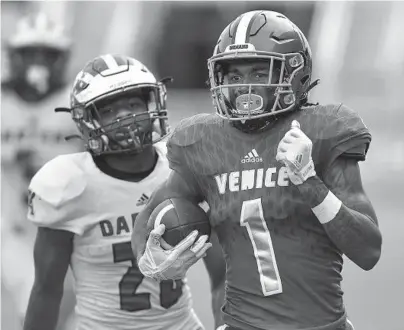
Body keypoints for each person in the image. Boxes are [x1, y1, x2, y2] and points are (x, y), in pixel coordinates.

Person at [132, 10, 382, 330]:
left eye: (258, 73)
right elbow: (150, 213)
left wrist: (311, 184)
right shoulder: (204, 141)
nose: (244, 88)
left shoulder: (324, 130)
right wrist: (150, 259)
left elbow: (368, 250)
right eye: (234, 77)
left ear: (295, 73)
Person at [23, 54, 225, 330]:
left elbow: (224, 274)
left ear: (152, 103)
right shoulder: (68, 182)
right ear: (87, 119)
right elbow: (47, 290)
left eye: (132, 104)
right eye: (108, 110)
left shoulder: (183, 167)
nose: (125, 117)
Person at [1, 12, 79, 328]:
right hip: (14, 226)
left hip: (69, 225)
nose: (38, 62)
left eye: (47, 54)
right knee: (38, 304)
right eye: (30, 53)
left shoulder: (78, 101)